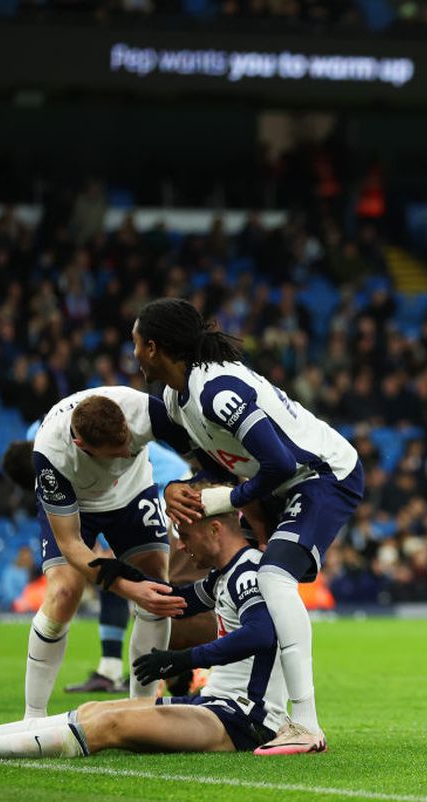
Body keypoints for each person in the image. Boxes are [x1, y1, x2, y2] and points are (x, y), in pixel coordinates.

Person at [131, 297, 363, 756]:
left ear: (154, 348)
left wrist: (223, 499)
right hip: (280, 487)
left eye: (137, 344)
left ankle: (305, 724)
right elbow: (215, 468)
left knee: (272, 578)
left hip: (321, 474)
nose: (134, 353)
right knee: (236, 577)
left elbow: (278, 462)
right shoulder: (177, 400)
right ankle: (237, 694)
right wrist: (183, 486)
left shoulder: (215, 392)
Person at [0, 481, 286, 760]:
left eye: (186, 535)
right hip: (215, 704)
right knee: (94, 708)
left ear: (215, 530)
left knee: (110, 724)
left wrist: (184, 659)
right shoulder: (225, 574)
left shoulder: (248, 573)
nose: (179, 547)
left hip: (244, 720)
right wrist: (124, 576)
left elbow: (261, 634)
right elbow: (173, 600)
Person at [0, 387, 195, 720]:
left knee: (157, 584)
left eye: (128, 444)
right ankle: (33, 716)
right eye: (115, 451)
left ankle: (142, 711)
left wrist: (182, 483)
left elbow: (198, 446)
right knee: (64, 591)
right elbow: (72, 546)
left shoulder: (141, 410)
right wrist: (129, 589)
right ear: (82, 446)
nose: (125, 453)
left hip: (135, 493)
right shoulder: (51, 455)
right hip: (79, 505)